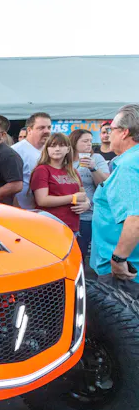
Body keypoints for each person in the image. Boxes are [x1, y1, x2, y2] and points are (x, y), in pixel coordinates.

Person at [91, 105, 139, 298]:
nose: (108, 135)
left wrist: (118, 259)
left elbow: (135, 218)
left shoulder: (129, 165)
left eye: (111, 129)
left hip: (126, 272)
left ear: (125, 132)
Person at [30, 133, 89, 233]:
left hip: (72, 227)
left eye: (61, 145)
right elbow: (42, 200)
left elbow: (83, 195)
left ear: (68, 149)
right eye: (53, 146)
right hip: (50, 226)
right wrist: (73, 198)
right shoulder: (42, 170)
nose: (57, 149)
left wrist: (87, 204)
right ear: (47, 149)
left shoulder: (73, 171)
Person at [70, 129, 110, 261]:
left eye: (91, 141)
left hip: (90, 214)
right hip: (68, 212)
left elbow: (104, 184)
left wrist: (93, 168)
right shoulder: (65, 160)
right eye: (85, 141)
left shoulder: (96, 158)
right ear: (74, 142)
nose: (89, 144)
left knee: (86, 251)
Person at [12, 112, 52, 209]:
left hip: (48, 210)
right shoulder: (15, 151)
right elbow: (9, 184)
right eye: (41, 128)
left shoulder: (53, 150)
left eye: (49, 127)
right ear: (29, 130)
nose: (47, 131)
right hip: (24, 211)